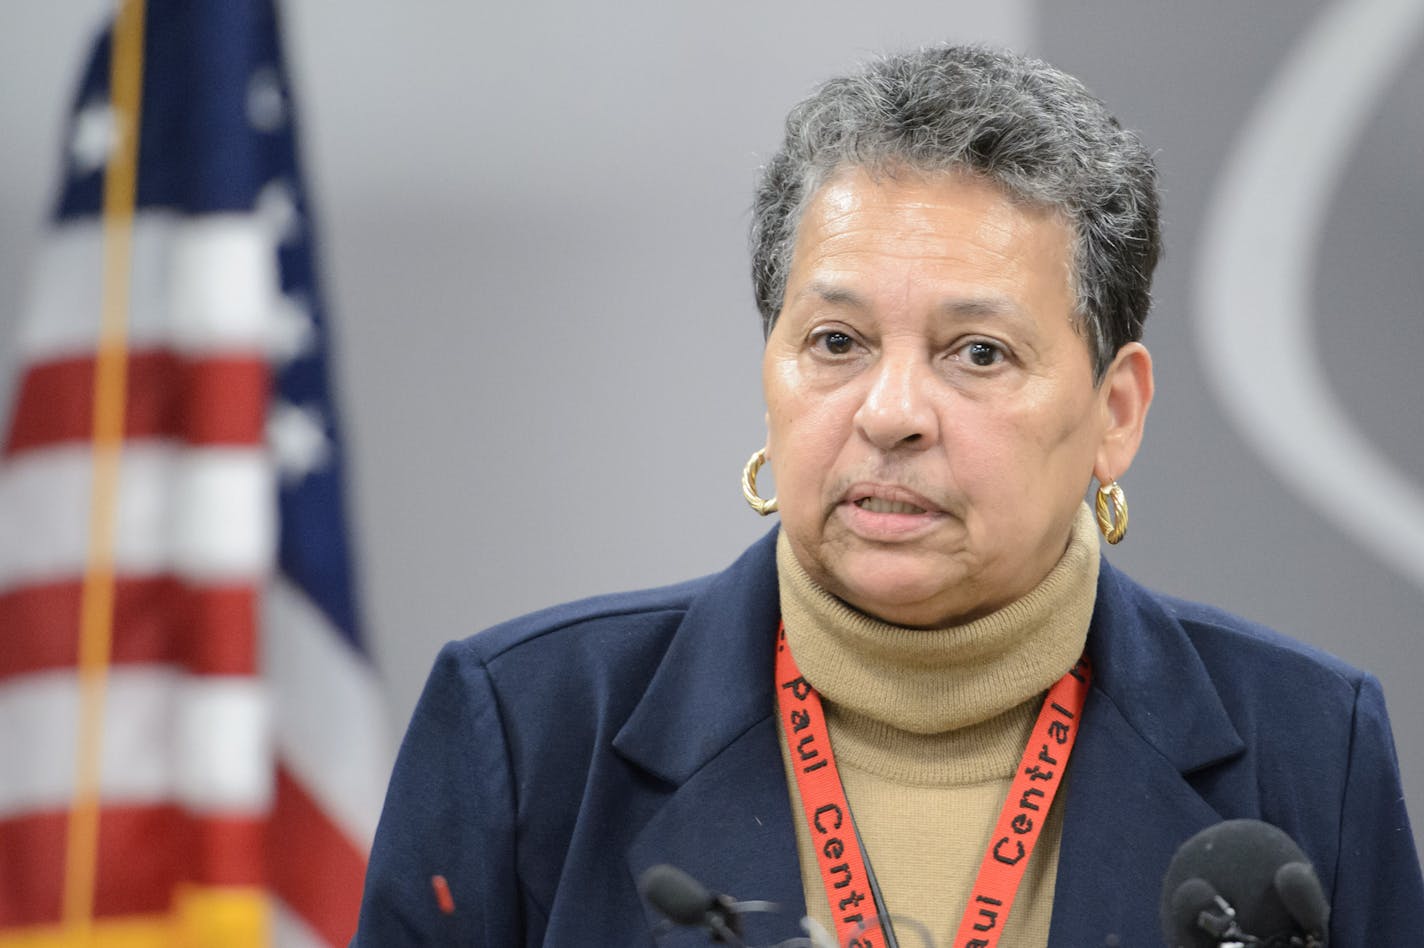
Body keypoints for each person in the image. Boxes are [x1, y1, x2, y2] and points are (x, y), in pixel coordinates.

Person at [353, 45, 1424, 946]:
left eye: (975, 352)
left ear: (1114, 413)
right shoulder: (531, 732)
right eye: (836, 342)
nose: (890, 411)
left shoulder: (1302, 748)